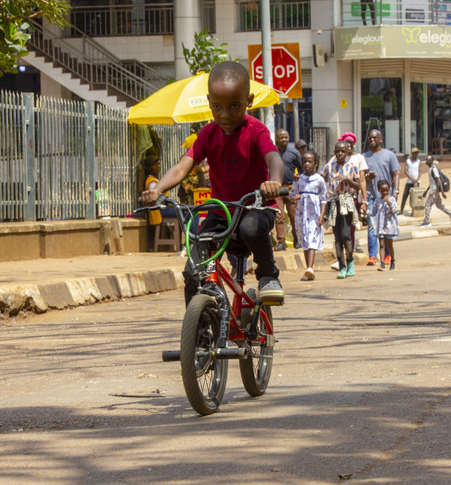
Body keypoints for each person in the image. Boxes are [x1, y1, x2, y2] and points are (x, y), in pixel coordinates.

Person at [140, 61, 286, 305]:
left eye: (234, 106)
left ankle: (268, 276)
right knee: (193, 269)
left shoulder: (256, 130)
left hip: (256, 208)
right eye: (217, 107)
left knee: (251, 226)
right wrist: (157, 190)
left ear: (249, 100)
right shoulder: (207, 135)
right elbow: (181, 167)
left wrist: (274, 181)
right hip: (221, 213)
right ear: (209, 101)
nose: (225, 115)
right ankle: (200, 332)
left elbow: (274, 159)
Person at [322, 140, 363, 279]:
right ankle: (342, 266)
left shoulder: (352, 166)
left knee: (346, 235)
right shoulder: (330, 165)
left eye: (343, 151)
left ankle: (350, 261)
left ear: (347, 153)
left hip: (346, 201)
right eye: (337, 151)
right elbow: (321, 176)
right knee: (337, 237)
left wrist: (347, 179)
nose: (340, 154)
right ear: (334, 152)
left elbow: (358, 186)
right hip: (333, 202)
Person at [362, 129, 399, 266]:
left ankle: (388, 255)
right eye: (370, 138)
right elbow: (361, 178)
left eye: (374, 138)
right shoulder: (365, 156)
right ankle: (373, 255)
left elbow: (396, 174)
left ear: (381, 139)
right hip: (372, 197)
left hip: (386, 197)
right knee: (372, 226)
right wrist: (367, 177)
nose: (372, 140)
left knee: (386, 226)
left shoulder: (389, 155)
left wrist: (396, 192)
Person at [290, 151, 327, 281]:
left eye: (309, 161)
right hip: (301, 213)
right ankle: (308, 270)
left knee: (312, 239)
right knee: (305, 240)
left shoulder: (319, 180)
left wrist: (322, 215)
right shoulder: (298, 179)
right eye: (304, 161)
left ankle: (310, 268)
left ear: (315, 163)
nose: (307, 164)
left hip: (314, 213)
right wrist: (295, 196)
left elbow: (324, 199)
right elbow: (292, 195)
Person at [274, 129, 303, 251]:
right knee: (278, 216)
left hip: (291, 188)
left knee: (293, 215)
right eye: (281, 138)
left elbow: (302, 170)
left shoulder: (294, 152)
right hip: (277, 188)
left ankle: (297, 239)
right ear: (277, 138)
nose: (284, 140)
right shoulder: (273, 152)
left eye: (286, 137)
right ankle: (281, 242)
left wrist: (298, 178)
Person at [419, 156, 451, 227]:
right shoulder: (431, 169)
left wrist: (442, 192)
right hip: (433, 189)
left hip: (434, 190)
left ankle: (426, 221)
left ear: (431, 161)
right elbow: (432, 182)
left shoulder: (434, 169)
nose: (426, 161)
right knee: (439, 205)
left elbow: (439, 180)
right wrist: (426, 191)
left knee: (427, 205)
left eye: (427, 160)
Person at [370, 179, 399, 271]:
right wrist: (365, 211)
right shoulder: (377, 201)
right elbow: (373, 212)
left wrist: (389, 203)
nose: (385, 192)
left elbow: (394, 211)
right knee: (381, 244)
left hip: (389, 226)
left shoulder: (392, 199)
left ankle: (392, 260)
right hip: (381, 226)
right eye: (383, 190)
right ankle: (382, 263)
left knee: (389, 245)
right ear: (379, 190)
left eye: (387, 190)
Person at [399, 147, 421, 216]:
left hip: (416, 181)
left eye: (417, 153)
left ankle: (414, 211)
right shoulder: (408, 161)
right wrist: (412, 179)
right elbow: (405, 171)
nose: (416, 155)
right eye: (415, 153)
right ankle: (401, 209)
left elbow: (420, 171)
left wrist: (417, 179)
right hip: (409, 181)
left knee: (414, 197)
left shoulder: (418, 161)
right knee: (405, 195)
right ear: (412, 154)